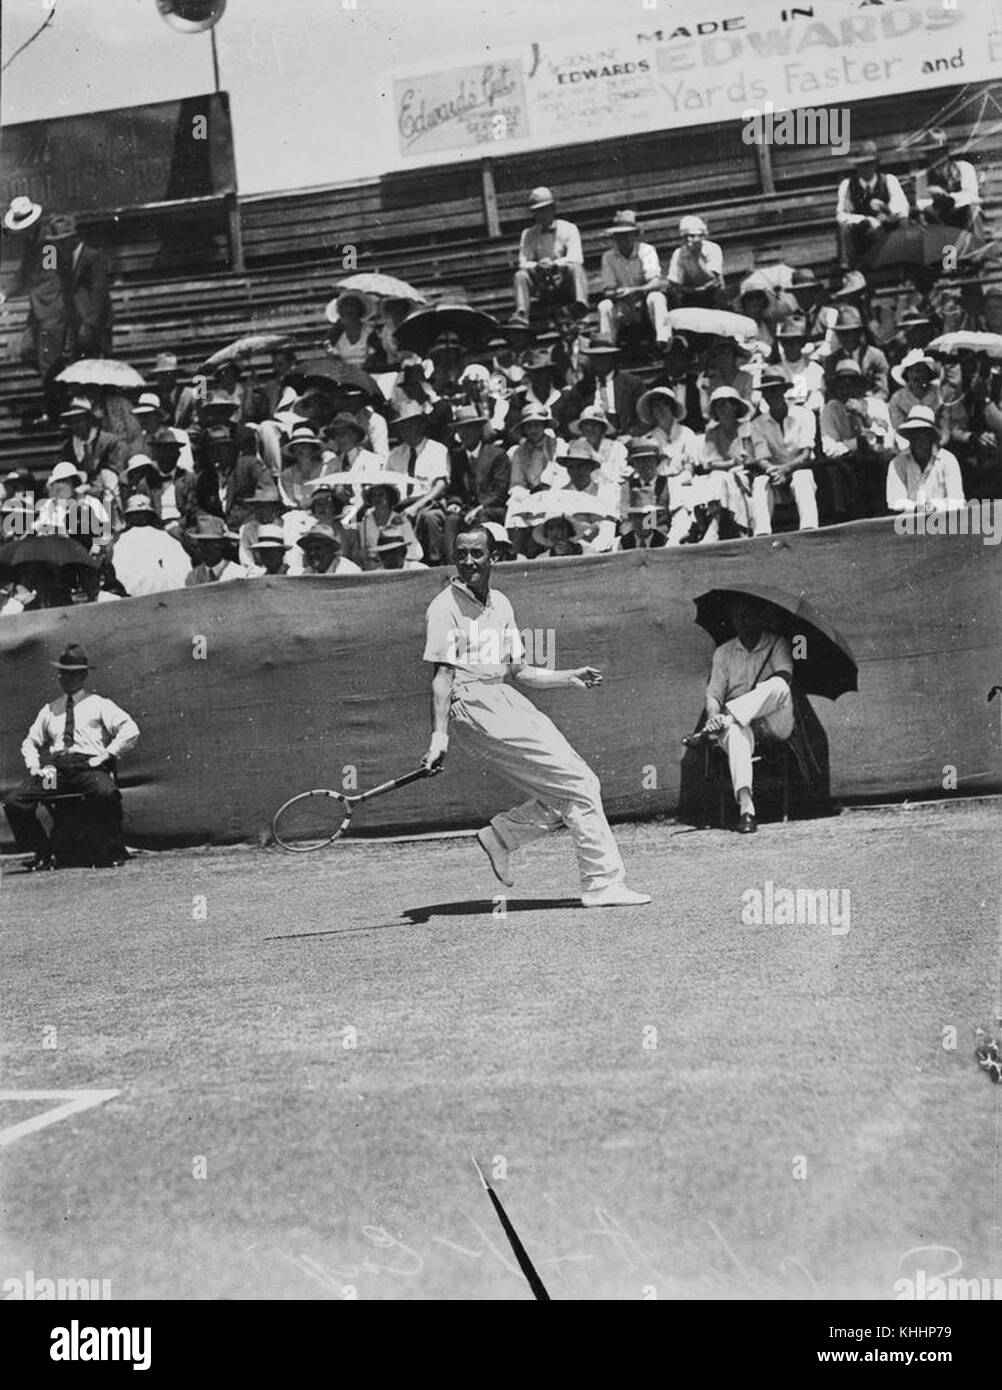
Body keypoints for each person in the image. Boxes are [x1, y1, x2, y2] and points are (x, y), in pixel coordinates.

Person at [420, 525, 650, 907]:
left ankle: (503, 836)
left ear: (494, 557)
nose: (468, 561)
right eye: (461, 554)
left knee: (578, 784)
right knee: (576, 782)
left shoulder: (502, 603)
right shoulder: (443, 607)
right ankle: (601, 883)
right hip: (473, 704)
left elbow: (519, 672)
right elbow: (442, 677)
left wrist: (568, 677)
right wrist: (438, 739)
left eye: (477, 553)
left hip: (504, 697)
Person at [2, 643, 139, 870]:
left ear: (84, 675)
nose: (67, 678)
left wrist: (107, 754)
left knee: (105, 792)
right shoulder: (50, 709)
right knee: (16, 801)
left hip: (89, 767)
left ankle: (109, 851)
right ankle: (43, 852)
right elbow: (30, 741)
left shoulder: (99, 705)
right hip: (56, 771)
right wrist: (35, 767)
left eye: (73, 674)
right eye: (63, 673)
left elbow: (130, 729)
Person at [684, 600, 794, 834]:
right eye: (739, 617)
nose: (744, 622)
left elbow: (785, 675)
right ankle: (747, 810)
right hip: (741, 727)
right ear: (733, 621)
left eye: (750, 616)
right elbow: (714, 695)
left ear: (762, 619)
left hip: (773, 721)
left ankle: (724, 722)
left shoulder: (777, 643)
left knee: (780, 685)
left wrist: (727, 716)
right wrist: (714, 715)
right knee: (734, 732)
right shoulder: (723, 652)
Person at [749, 369, 819, 535]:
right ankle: (762, 534)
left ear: (784, 391)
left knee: (803, 477)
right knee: (760, 482)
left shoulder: (804, 415)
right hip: (775, 475)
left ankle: (810, 530)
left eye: (775, 390)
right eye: (767, 392)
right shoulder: (757, 424)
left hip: (798, 469)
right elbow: (761, 458)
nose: (771, 395)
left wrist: (786, 469)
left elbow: (806, 453)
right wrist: (774, 472)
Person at [386, 401, 451, 564]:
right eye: (402, 427)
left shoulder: (437, 450)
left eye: (409, 425)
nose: (405, 431)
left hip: (428, 503)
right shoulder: (395, 454)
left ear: (421, 425)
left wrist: (416, 507)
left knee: (429, 519)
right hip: (400, 506)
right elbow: (388, 486)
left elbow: (440, 485)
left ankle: (434, 565)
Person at [512, 186, 588, 324]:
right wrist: (538, 265)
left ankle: (581, 308)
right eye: (537, 211)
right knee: (520, 275)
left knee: (576, 268)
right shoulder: (528, 234)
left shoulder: (569, 228)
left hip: (564, 285)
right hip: (542, 287)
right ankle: (521, 315)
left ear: (553, 209)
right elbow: (523, 261)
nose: (541, 215)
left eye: (544, 209)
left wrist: (554, 264)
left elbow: (577, 257)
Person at [596, 209, 670, 347]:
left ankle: (665, 342)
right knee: (604, 306)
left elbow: (656, 282)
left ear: (634, 235)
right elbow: (608, 290)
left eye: (626, 235)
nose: (623, 239)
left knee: (657, 298)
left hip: (644, 305)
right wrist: (620, 293)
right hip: (623, 306)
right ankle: (606, 347)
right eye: (619, 236)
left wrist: (635, 290)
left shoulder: (646, 250)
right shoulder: (608, 257)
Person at [835, 140, 908, 268]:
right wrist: (866, 219)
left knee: (902, 222)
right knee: (843, 228)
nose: (865, 168)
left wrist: (886, 214)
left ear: (876, 164)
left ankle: (902, 265)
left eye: (869, 164)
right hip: (861, 231)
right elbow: (841, 214)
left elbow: (901, 207)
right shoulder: (848, 185)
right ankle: (847, 268)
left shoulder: (889, 180)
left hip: (886, 228)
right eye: (861, 165)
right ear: (856, 167)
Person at [886, 405, 965, 513]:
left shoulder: (947, 460)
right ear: (909, 436)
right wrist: (919, 507)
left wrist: (932, 506)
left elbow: (958, 501)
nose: (918, 440)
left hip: (943, 523)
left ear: (931, 436)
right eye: (914, 434)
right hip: (909, 525)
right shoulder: (897, 463)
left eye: (923, 434)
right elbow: (895, 502)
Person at [111, 495, 192, 595]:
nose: (140, 517)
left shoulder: (166, 537)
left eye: (142, 514)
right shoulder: (119, 541)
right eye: (136, 514)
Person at [915, 129, 981, 232]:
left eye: (938, 151)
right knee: (922, 219)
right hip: (937, 217)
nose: (934, 156)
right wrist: (934, 204)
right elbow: (921, 201)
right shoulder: (922, 176)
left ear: (946, 152)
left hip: (961, 215)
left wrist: (947, 197)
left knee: (972, 211)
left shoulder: (964, 168)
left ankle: (975, 245)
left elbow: (971, 196)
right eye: (930, 153)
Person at [666, 215, 724, 307]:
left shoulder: (713, 249)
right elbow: (676, 283)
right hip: (689, 297)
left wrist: (697, 259)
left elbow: (713, 279)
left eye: (693, 236)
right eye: (685, 236)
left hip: (712, 296)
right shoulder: (678, 253)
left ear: (702, 237)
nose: (689, 240)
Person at [295, 522, 363, 576]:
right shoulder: (307, 574)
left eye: (317, 548)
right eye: (308, 549)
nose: (312, 553)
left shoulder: (349, 571)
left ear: (330, 549)